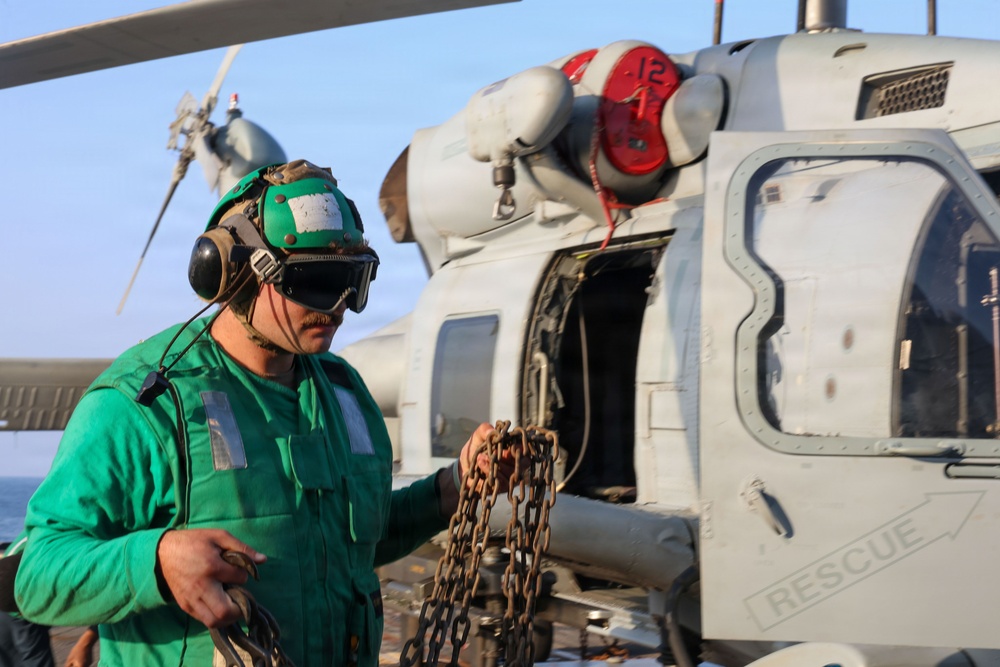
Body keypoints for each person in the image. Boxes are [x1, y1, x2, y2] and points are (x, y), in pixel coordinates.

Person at [15, 160, 508, 666]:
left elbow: (355, 543)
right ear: (236, 274)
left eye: (354, 281)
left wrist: (450, 490)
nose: (338, 306)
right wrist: (157, 563)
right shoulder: (145, 405)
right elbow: (38, 576)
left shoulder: (343, 394)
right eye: (317, 280)